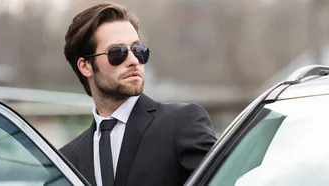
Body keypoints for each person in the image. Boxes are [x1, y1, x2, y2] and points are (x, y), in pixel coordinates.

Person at [59, 3, 217, 186]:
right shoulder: (65, 161)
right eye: (117, 52)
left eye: (138, 50)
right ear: (85, 66)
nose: (134, 61)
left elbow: (227, 180)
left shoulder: (181, 123)